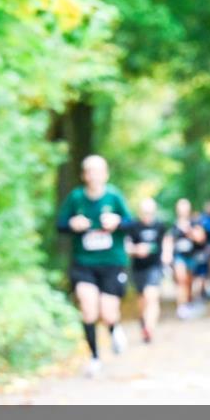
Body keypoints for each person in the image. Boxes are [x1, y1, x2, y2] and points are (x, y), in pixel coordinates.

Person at [57, 155, 133, 377]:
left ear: (105, 174)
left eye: (98, 171)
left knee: (108, 312)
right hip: (84, 264)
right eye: (89, 171)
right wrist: (72, 224)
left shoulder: (114, 196)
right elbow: (60, 224)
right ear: (84, 175)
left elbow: (131, 224)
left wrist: (117, 222)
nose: (94, 175)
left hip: (111, 263)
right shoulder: (76, 198)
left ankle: (114, 328)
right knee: (88, 308)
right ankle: (94, 357)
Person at [126, 197, 171, 344]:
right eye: (145, 212)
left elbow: (167, 241)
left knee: (151, 296)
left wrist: (167, 255)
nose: (148, 215)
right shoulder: (133, 226)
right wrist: (136, 250)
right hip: (138, 268)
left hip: (155, 266)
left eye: (150, 212)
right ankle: (143, 323)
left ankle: (149, 328)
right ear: (140, 212)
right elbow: (126, 246)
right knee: (142, 301)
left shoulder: (160, 225)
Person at [169, 198, 207, 319]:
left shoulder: (194, 222)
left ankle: (187, 304)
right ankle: (181, 307)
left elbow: (201, 238)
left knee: (188, 282)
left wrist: (190, 231)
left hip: (191, 255)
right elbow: (169, 239)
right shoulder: (174, 224)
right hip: (178, 256)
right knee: (181, 279)